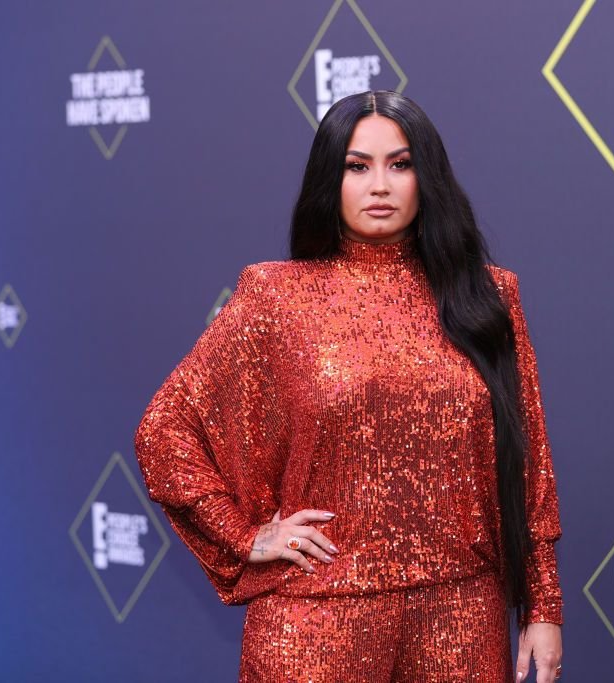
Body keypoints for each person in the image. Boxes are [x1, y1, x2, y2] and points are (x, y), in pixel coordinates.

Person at [134, 90, 564, 682]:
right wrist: (244, 535)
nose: (379, 185)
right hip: (316, 620)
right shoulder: (276, 296)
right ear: (328, 180)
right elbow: (164, 431)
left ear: (427, 176)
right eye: (357, 166)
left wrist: (543, 606)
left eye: (400, 163)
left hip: (462, 616)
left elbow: (528, 463)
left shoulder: (489, 297)